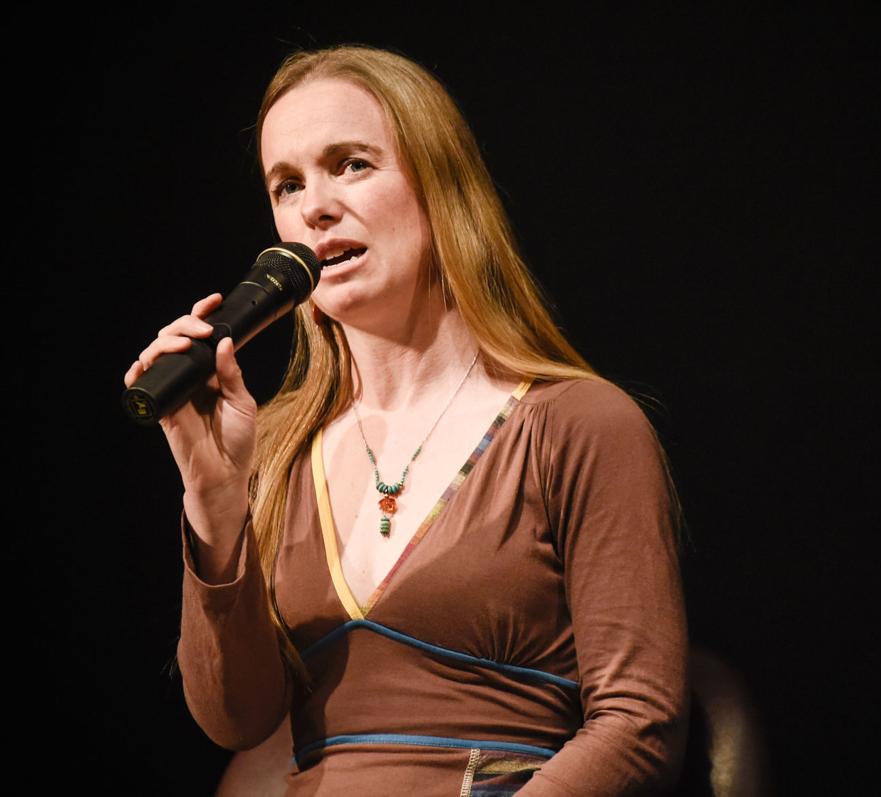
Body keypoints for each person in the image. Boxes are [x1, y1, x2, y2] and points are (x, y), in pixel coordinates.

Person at [123, 44, 690, 795]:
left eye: (351, 164)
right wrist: (216, 502)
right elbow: (237, 720)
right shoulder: (274, 442)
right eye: (287, 184)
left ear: (439, 185)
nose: (314, 205)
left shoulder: (579, 424)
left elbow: (640, 725)